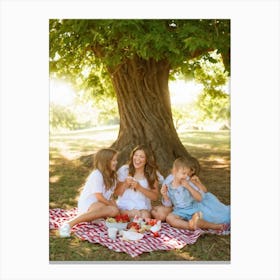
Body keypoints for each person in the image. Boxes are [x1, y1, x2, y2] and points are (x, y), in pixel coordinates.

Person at [59, 148, 120, 238]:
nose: (116, 162)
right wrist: (113, 208)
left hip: (100, 205)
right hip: (88, 205)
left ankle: (96, 218)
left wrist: (117, 211)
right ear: (105, 161)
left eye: (116, 160)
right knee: (112, 210)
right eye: (113, 160)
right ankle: (69, 224)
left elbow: (110, 197)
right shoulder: (97, 174)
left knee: (114, 211)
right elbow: (99, 196)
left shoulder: (113, 177)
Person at [160, 157, 229, 231]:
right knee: (169, 218)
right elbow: (169, 205)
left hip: (193, 208)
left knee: (198, 220)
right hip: (179, 210)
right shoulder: (168, 183)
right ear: (174, 172)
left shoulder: (188, 182)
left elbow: (200, 198)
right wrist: (164, 195)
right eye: (183, 173)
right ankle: (190, 226)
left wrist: (188, 186)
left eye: (187, 174)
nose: (186, 176)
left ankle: (216, 226)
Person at [114, 144, 163, 219]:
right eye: (136, 155)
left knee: (146, 216)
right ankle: (129, 218)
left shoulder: (152, 173)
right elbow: (116, 193)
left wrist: (139, 188)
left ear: (147, 159)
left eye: (142, 157)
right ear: (132, 156)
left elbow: (155, 197)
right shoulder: (125, 170)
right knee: (135, 216)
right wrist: (125, 184)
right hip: (124, 206)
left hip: (142, 207)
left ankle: (131, 220)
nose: (137, 159)